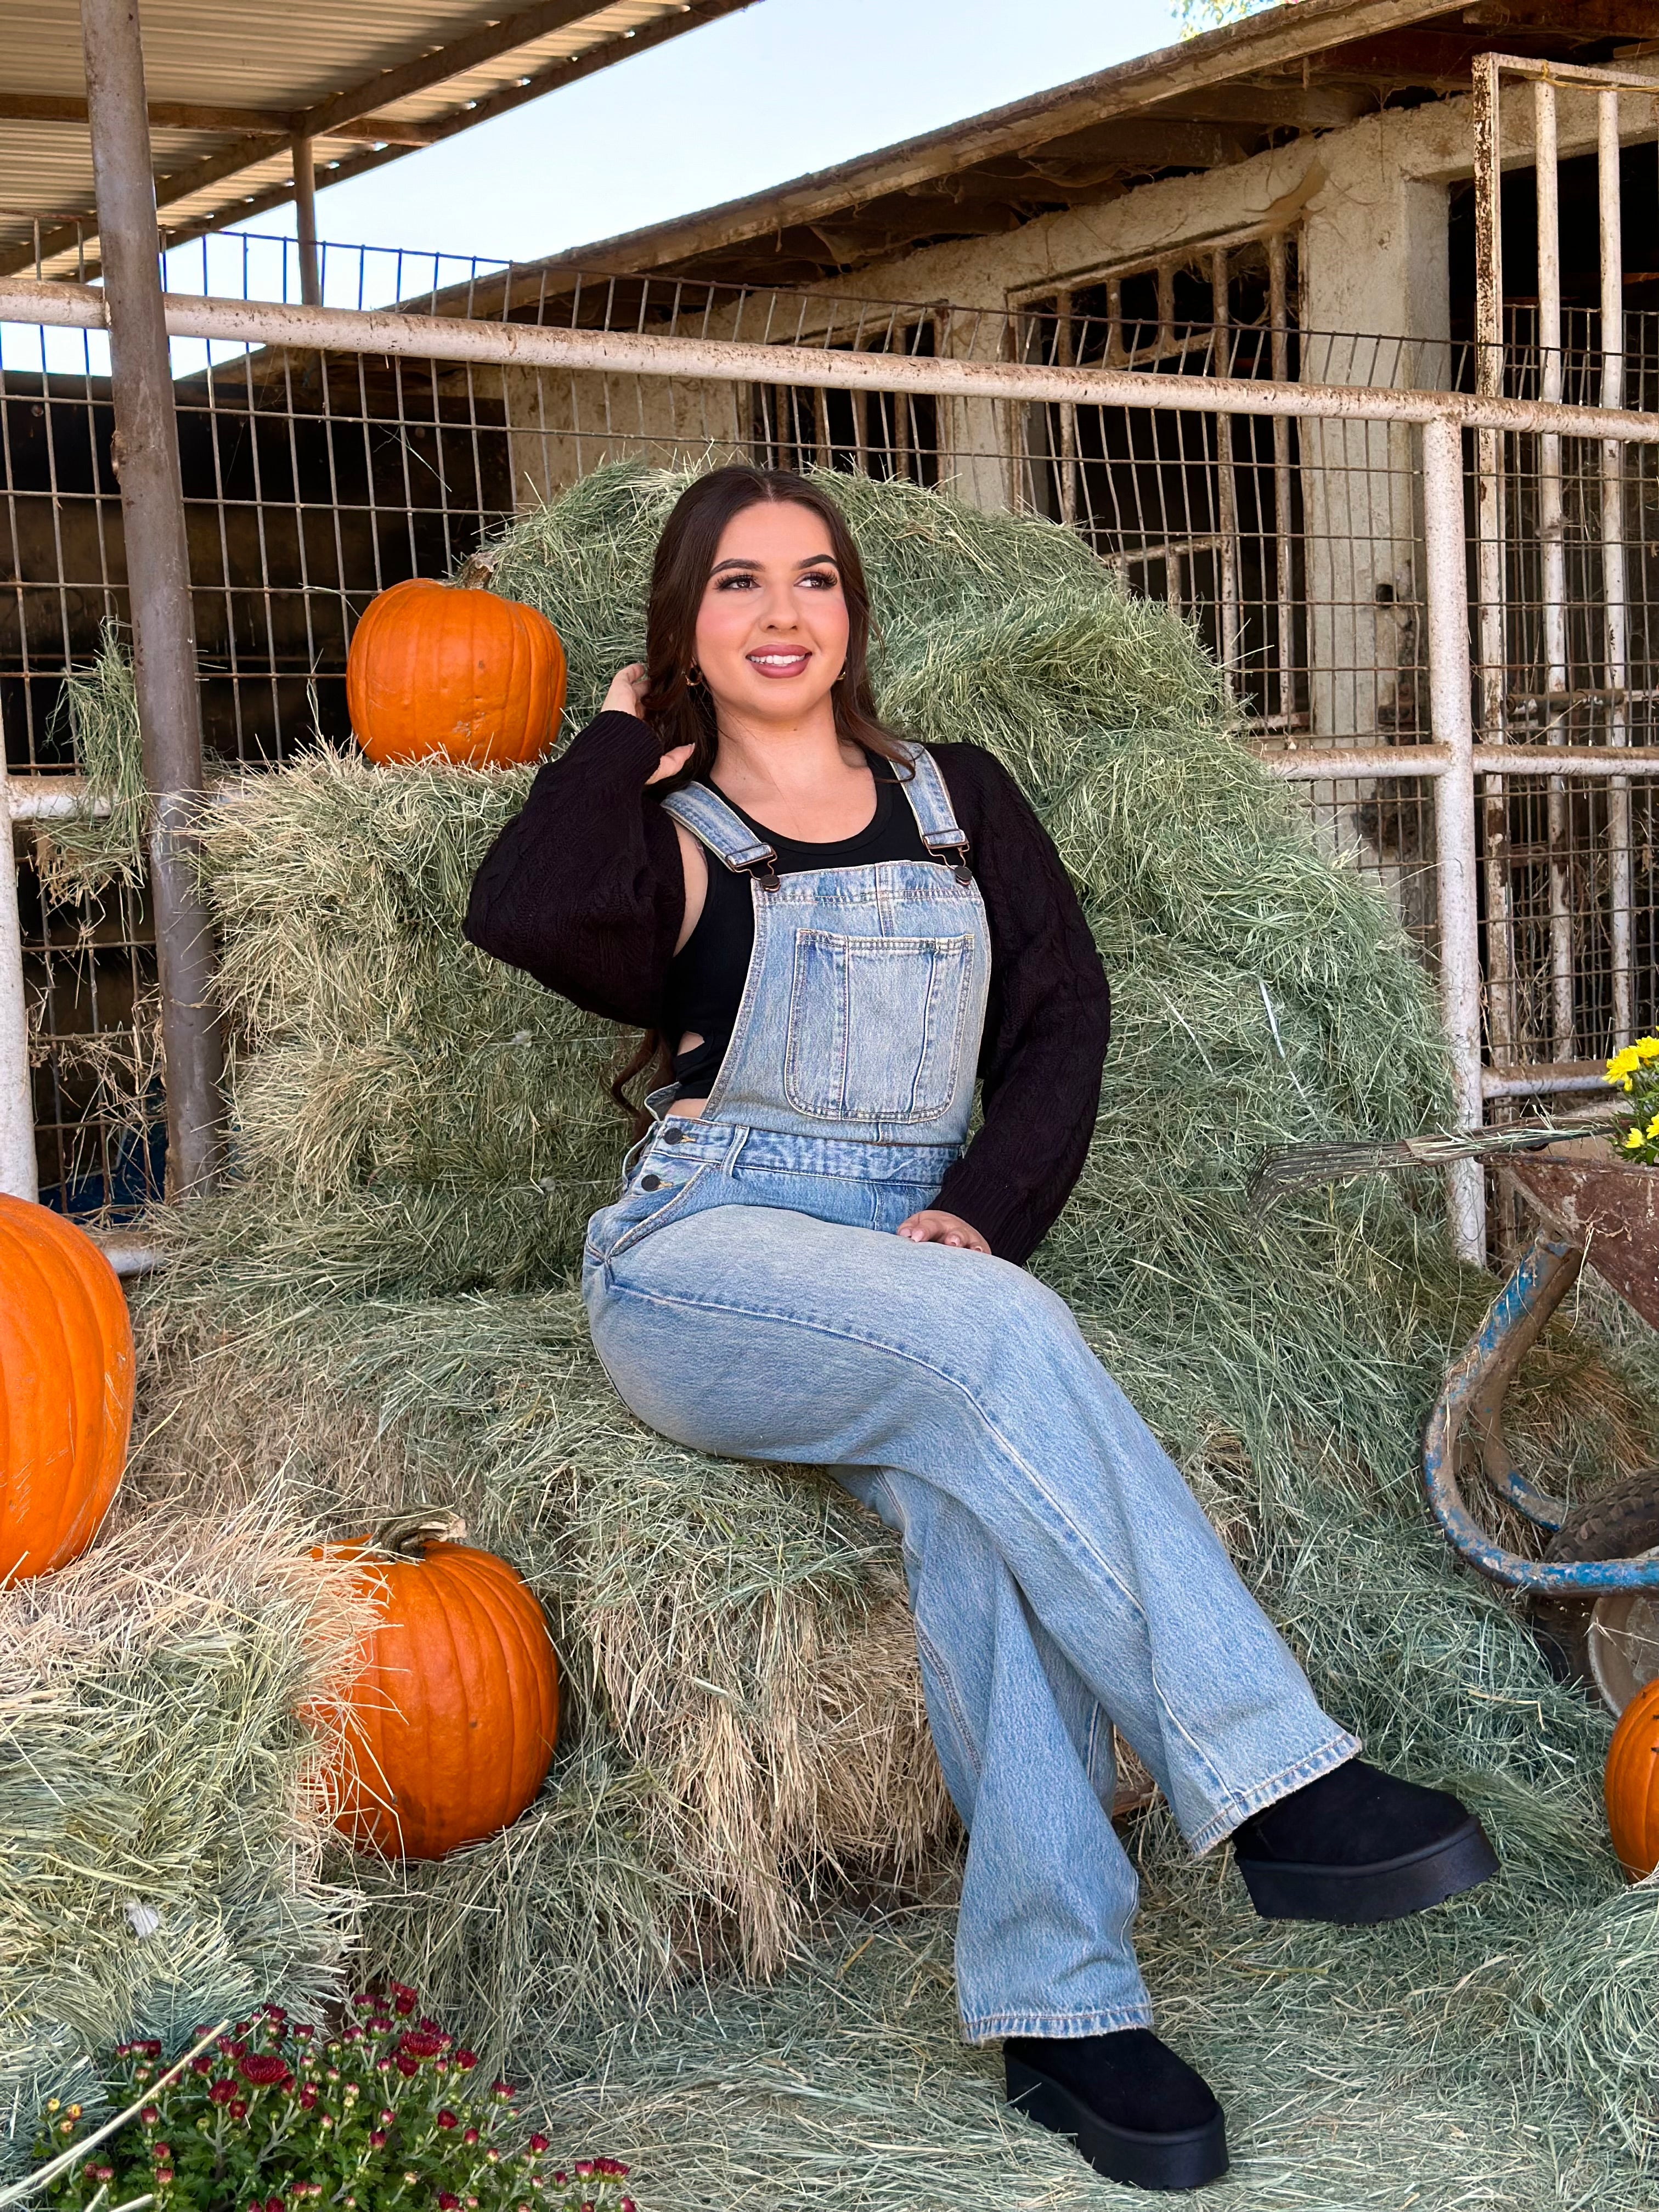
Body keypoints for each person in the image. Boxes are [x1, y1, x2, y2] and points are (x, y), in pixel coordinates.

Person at [463, 466, 1497, 2194]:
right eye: (734, 587)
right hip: (711, 1257)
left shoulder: (962, 802)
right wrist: (611, 736)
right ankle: (1278, 1783)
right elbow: (520, 910)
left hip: (922, 1262)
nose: (782, 615)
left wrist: (990, 1209)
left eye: (811, 580)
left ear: (856, 610)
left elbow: (1062, 1019)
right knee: (1000, 1343)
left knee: (980, 1501)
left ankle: (1063, 2013)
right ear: (685, 630)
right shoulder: (664, 832)